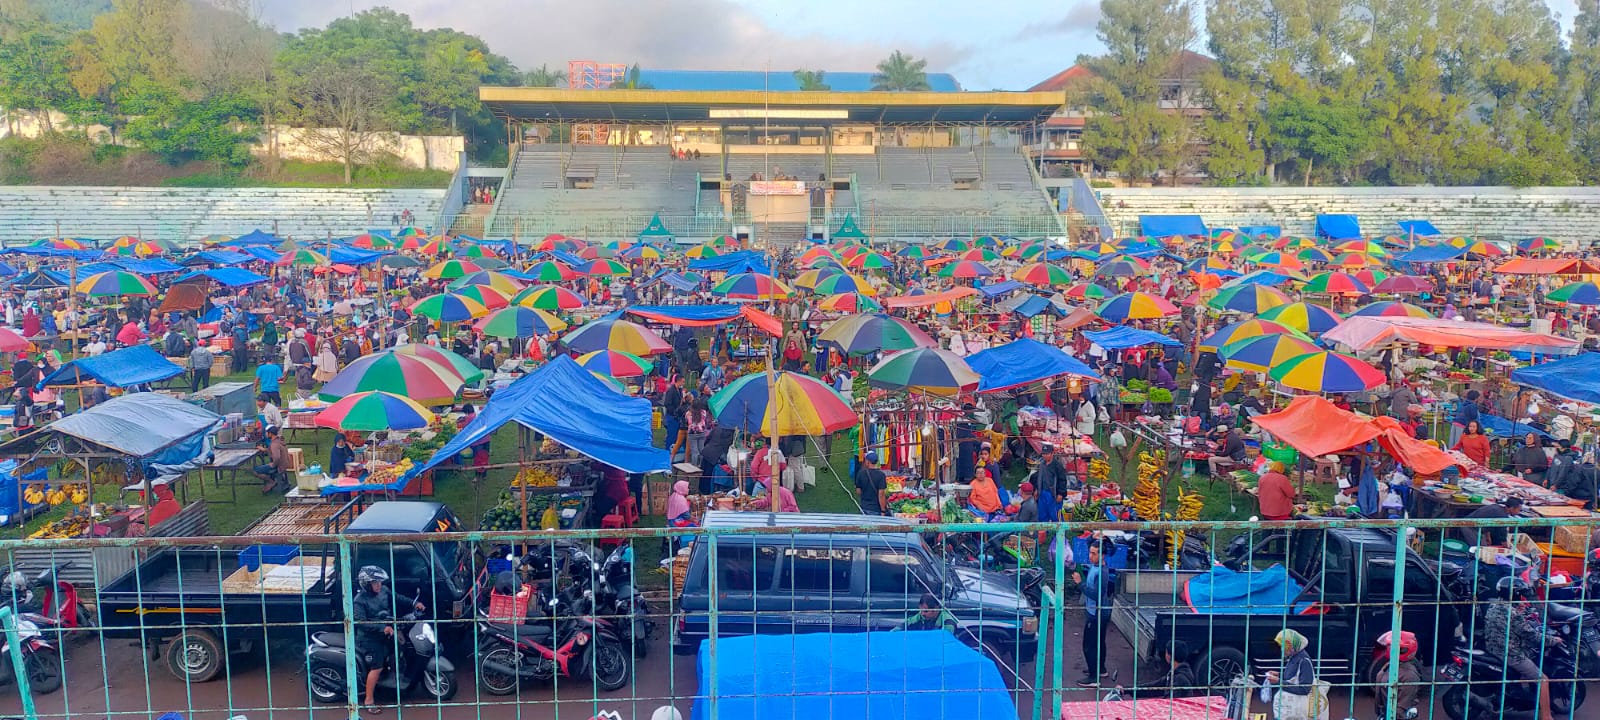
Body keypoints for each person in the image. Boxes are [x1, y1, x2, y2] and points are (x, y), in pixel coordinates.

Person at [352, 565, 425, 715]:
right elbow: (361, 622)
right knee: (376, 667)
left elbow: (398, 598)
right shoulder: (359, 601)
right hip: (369, 639)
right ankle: (369, 700)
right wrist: (381, 628)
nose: (379, 585)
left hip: (386, 631)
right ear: (366, 584)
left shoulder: (384, 590)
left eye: (379, 582)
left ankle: (393, 679)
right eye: (375, 582)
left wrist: (413, 603)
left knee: (402, 647)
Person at [1482, 578, 1557, 720]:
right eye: (1520, 594)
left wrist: (1518, 609)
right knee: (1543, 680)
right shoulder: (1513, 613)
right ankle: (1547, 716)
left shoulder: (1494, 605)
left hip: (1492, 648)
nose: (1522, 597)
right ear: (1515, 594)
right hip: (1510, 653)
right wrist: (1553, 640)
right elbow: (1531, 635)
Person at [1073, 541, 1110, 685]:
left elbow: (1096, 595)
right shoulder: (1096, 567)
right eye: (1090, 552)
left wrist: (1079, 583)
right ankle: (1100, 669)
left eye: (1094, 553)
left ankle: (1093, 677)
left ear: (1102, 555)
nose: (1090, 556)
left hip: (1097, 614)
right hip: (1098, 612)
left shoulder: (1101, 572)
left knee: (1089, 645)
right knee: (1099, 642)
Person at [1265, 629, 1322, 720]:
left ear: (1291, 645)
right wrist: (1279, 675)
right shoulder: (1293, 657)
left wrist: (1279, 682)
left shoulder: (1304, 661)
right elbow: (1293, 677)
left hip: (1295, 712)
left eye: (1283, 646)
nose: (1282, 649)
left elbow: (1305, 689)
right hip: (1287, 711)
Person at [1132, 639, 1197, 698]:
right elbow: (1155, 686)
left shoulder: (1179, 679)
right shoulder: (1177, 672)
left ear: (1169, 656)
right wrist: (1128, 690)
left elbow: (1170, 702)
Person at [253, 426, 290, 493]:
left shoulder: (274, 444)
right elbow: (275, 451)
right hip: (285, 464)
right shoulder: (279, 440)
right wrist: (265, 450)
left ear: (270, 434)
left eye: (267, 433)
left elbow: (277, 457)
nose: (266, 434)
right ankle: (275, 481)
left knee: (255, 470)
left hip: (279, 466)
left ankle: (271, 482)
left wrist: (273, 465)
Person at [855, 451, 888, 516]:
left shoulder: (861, 473)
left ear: (867, 462)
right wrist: (883, 510)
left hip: (864, 507)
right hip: (876, 509)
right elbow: (881, 494)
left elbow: (858, 491)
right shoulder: (881, 475)